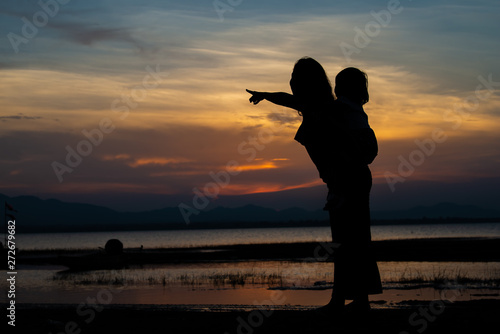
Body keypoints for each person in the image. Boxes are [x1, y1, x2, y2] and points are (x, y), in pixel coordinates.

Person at [247, 59, 382, 315]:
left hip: (348, 181)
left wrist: (341, 185)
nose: (291, 83)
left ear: (305, 83)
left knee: (348, 242)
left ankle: (345, 301)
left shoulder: (329, 110)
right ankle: (352, 301)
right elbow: (289, 100)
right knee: (350, 242)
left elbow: (349, 149)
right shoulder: (325, 108)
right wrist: (265, 95)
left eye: (295, 78)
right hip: (347, 180)